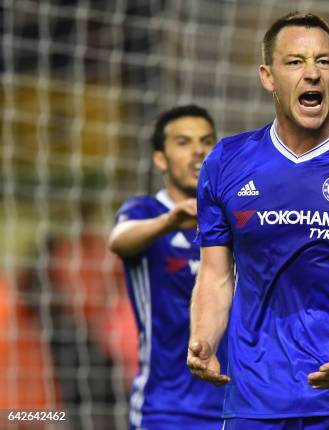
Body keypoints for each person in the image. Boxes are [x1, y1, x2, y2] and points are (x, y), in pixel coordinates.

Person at [187, 11, 329, 430]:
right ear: (268, 76)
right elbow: (216, 274)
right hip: (254, 397)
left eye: (324, 61)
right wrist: (204, 337)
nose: (312, 74)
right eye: (295, 62)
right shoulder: (226, 162)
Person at [109, 105, 226, 429]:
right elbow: (118, 240)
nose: (198, 151)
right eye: (183, 142)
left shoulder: (231, 218)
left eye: (206, 141)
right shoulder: (145, 211)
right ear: (160, 158)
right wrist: (168, 221)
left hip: (235, 405)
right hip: (166, 408)